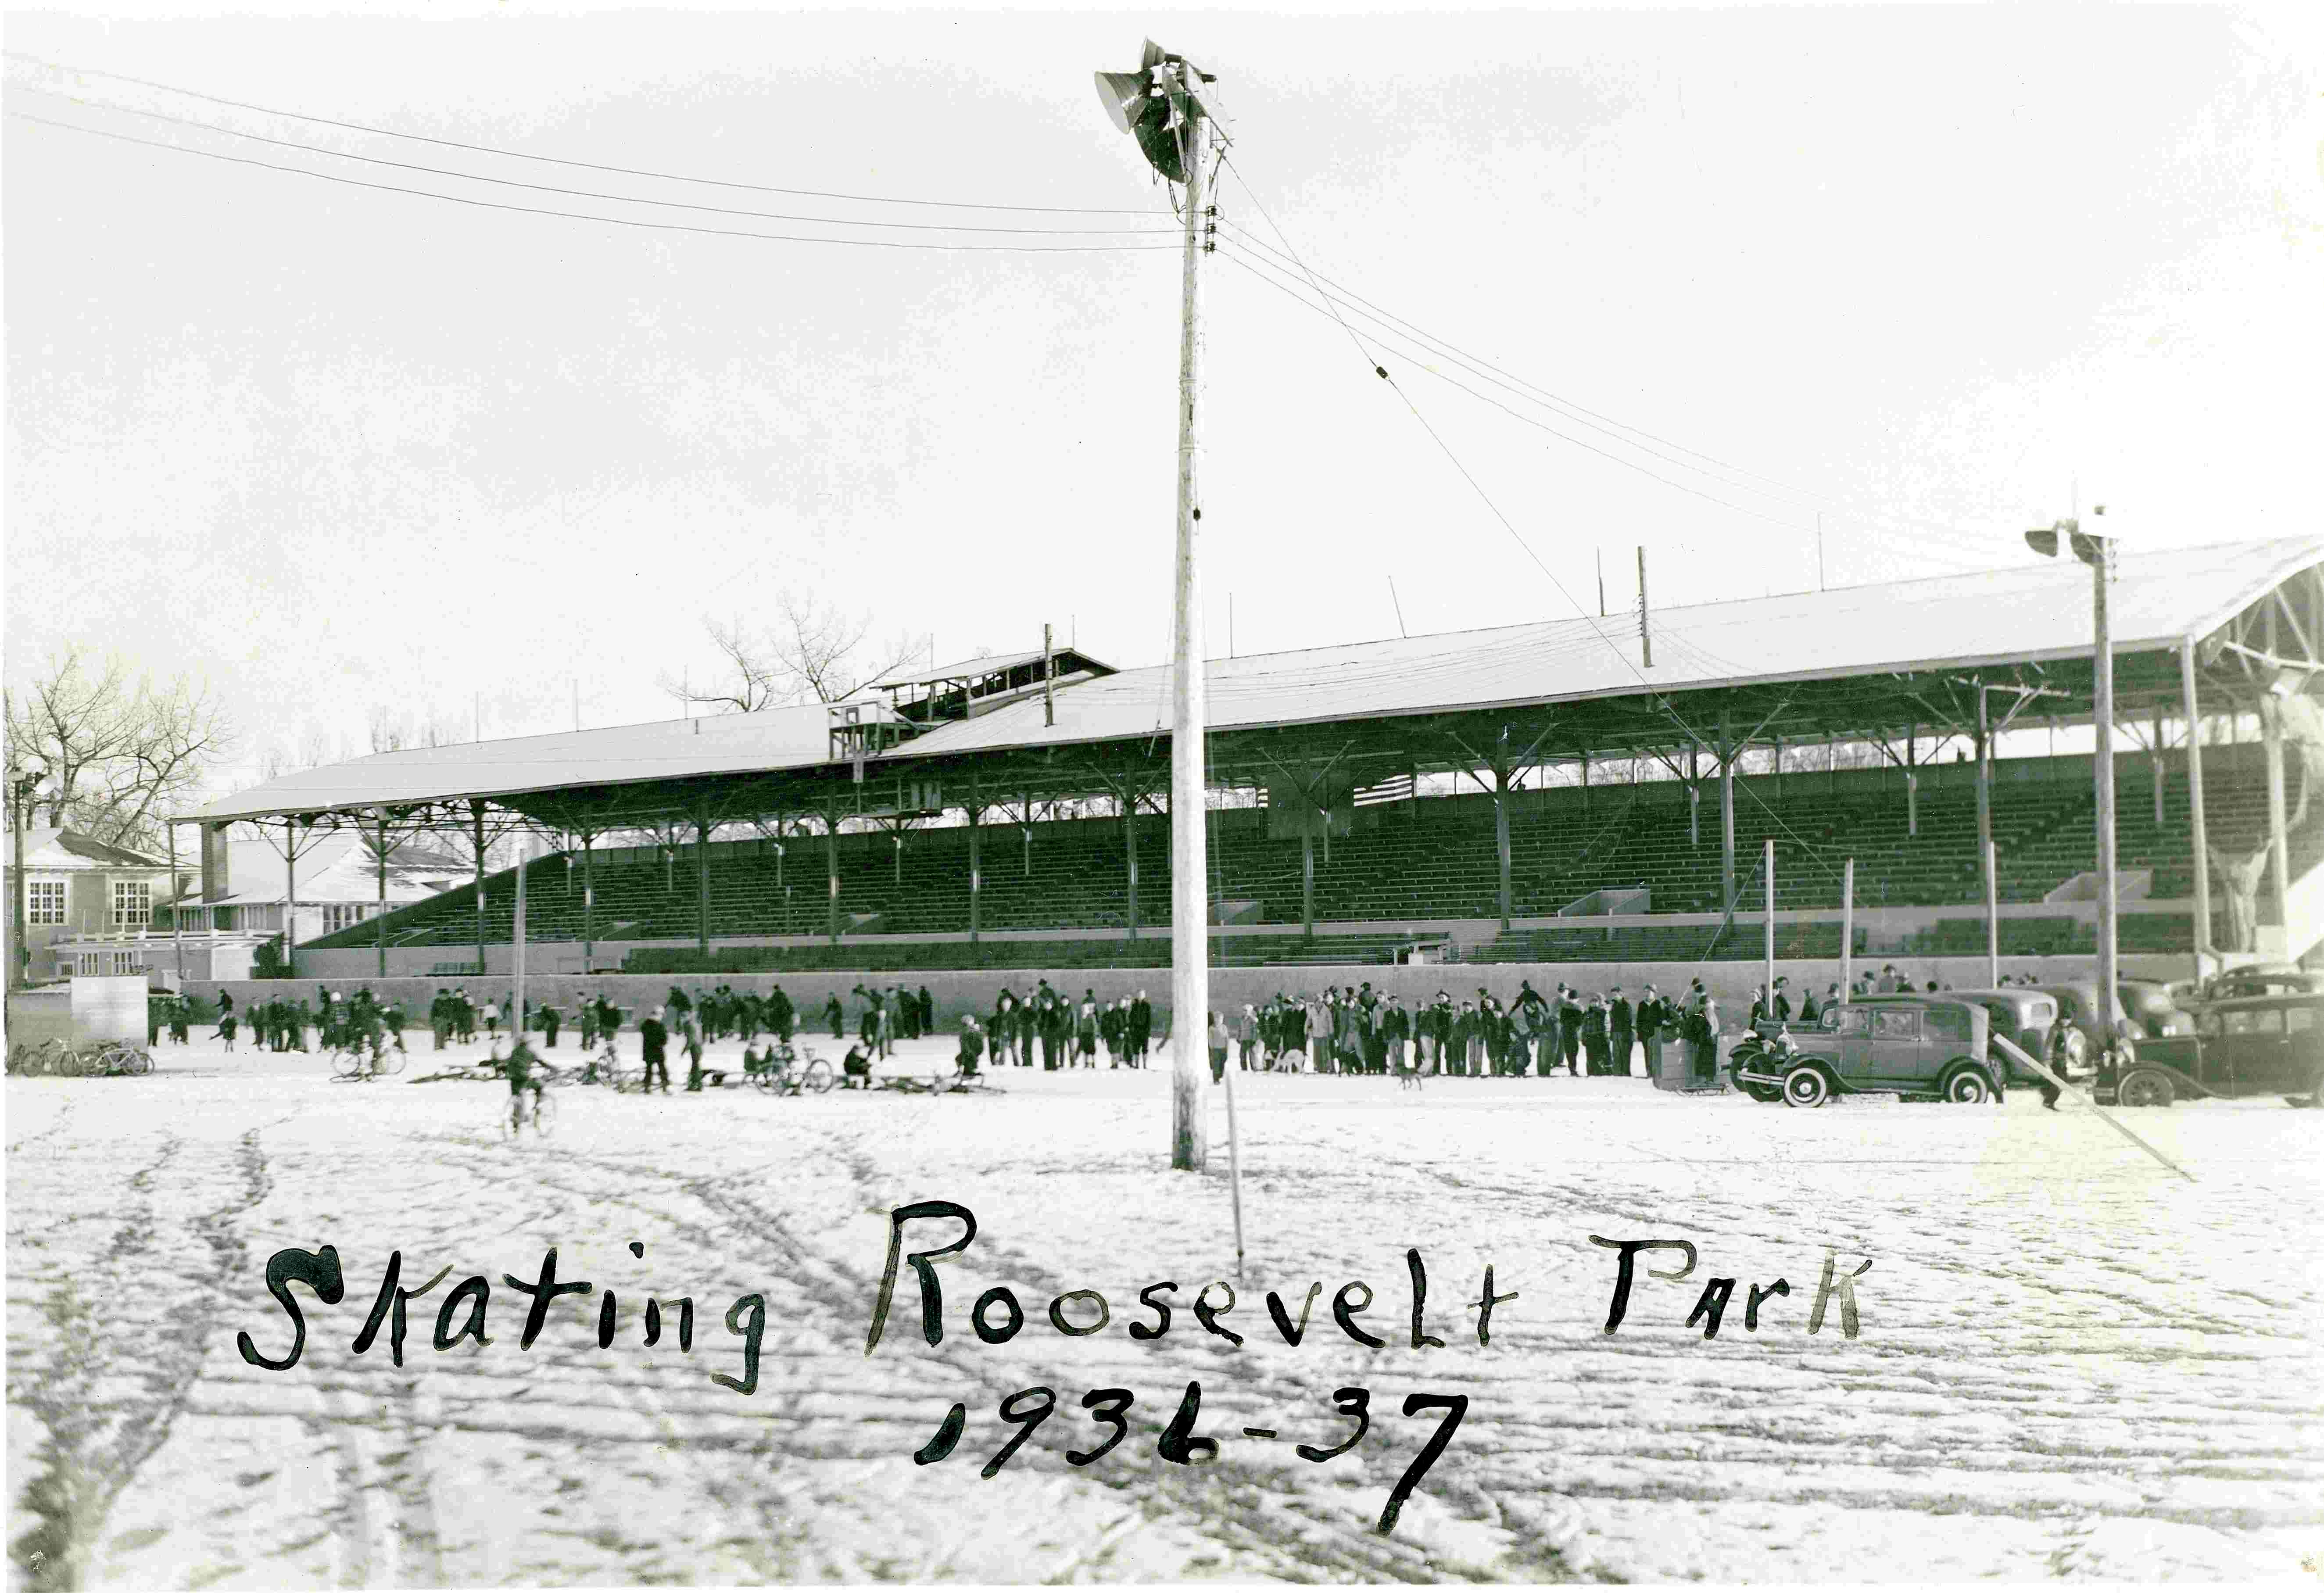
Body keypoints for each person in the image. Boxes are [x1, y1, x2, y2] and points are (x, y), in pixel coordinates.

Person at [504, 1037, 547, 1132]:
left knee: (516, 1097)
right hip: (524, 1078)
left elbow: (507, 1061)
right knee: (539, 1087)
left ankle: (516, 1123)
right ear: (527, 1044)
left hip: (513, 1079)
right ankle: (537, 1109)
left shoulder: (514, 1052)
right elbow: (542, 1062)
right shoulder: (531, 1053)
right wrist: (552, 1068)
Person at [640, 1006, 671, 1095]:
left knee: (649, 1070)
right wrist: (660, 1043)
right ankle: (665, 1086)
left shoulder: (646, 1024)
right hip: (658, 1050)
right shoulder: (660, 1025)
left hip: (648, 1051)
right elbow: (664, 1038)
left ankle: (647, 1086)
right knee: (662, 1069)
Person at [1207, 1010, 1230, 1084]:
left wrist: (1227, 1047)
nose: (1219, 1020)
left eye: (1221, 1019)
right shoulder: (1211, 1028)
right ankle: (1216, 1079)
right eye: (1218, 1019)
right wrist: (1212, 1048)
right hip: (1215, 1049)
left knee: (1223, 1063)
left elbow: (1227, 1038)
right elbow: (1210, 1039)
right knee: (1216, 1064)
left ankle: (1220, 1075)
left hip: (1223, 1048)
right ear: (1215, 1019)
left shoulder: (1224, 1027)